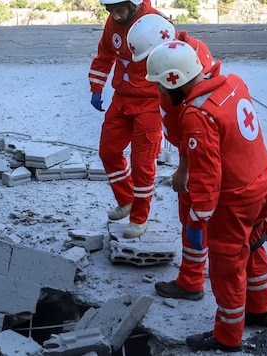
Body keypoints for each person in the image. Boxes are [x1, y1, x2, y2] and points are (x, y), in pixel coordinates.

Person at [145, 41, 267, 352]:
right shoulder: (233, 82)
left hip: (236, 199)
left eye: (162, 88)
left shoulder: (197, 114)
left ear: (174, 80)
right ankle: (261, 309)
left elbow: (207, 178)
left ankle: (227, 336)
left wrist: (197, 217)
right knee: (254, 245)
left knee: (226, 265)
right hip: (263, 182)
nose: (162, 96)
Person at [126, 14, 217, 301]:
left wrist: (184, 169)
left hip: (198, 152)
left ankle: (192, 281)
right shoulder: (195, 52)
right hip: (214, 147)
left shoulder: (173, 81)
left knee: (194, 217)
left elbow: (192, 128)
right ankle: (257, 301)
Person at [88, 0, 167, 238]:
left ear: (132, 5)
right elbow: (105, 54)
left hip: (150, 103)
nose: (116, 16)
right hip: (122, 98)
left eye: (120, 10)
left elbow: (173, 58)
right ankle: (127, 199)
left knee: (143, 163)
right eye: (111, 11)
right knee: (108, 151)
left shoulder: (156, 23)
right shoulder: (113, 22)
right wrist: (96, 87)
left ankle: (139, 218)